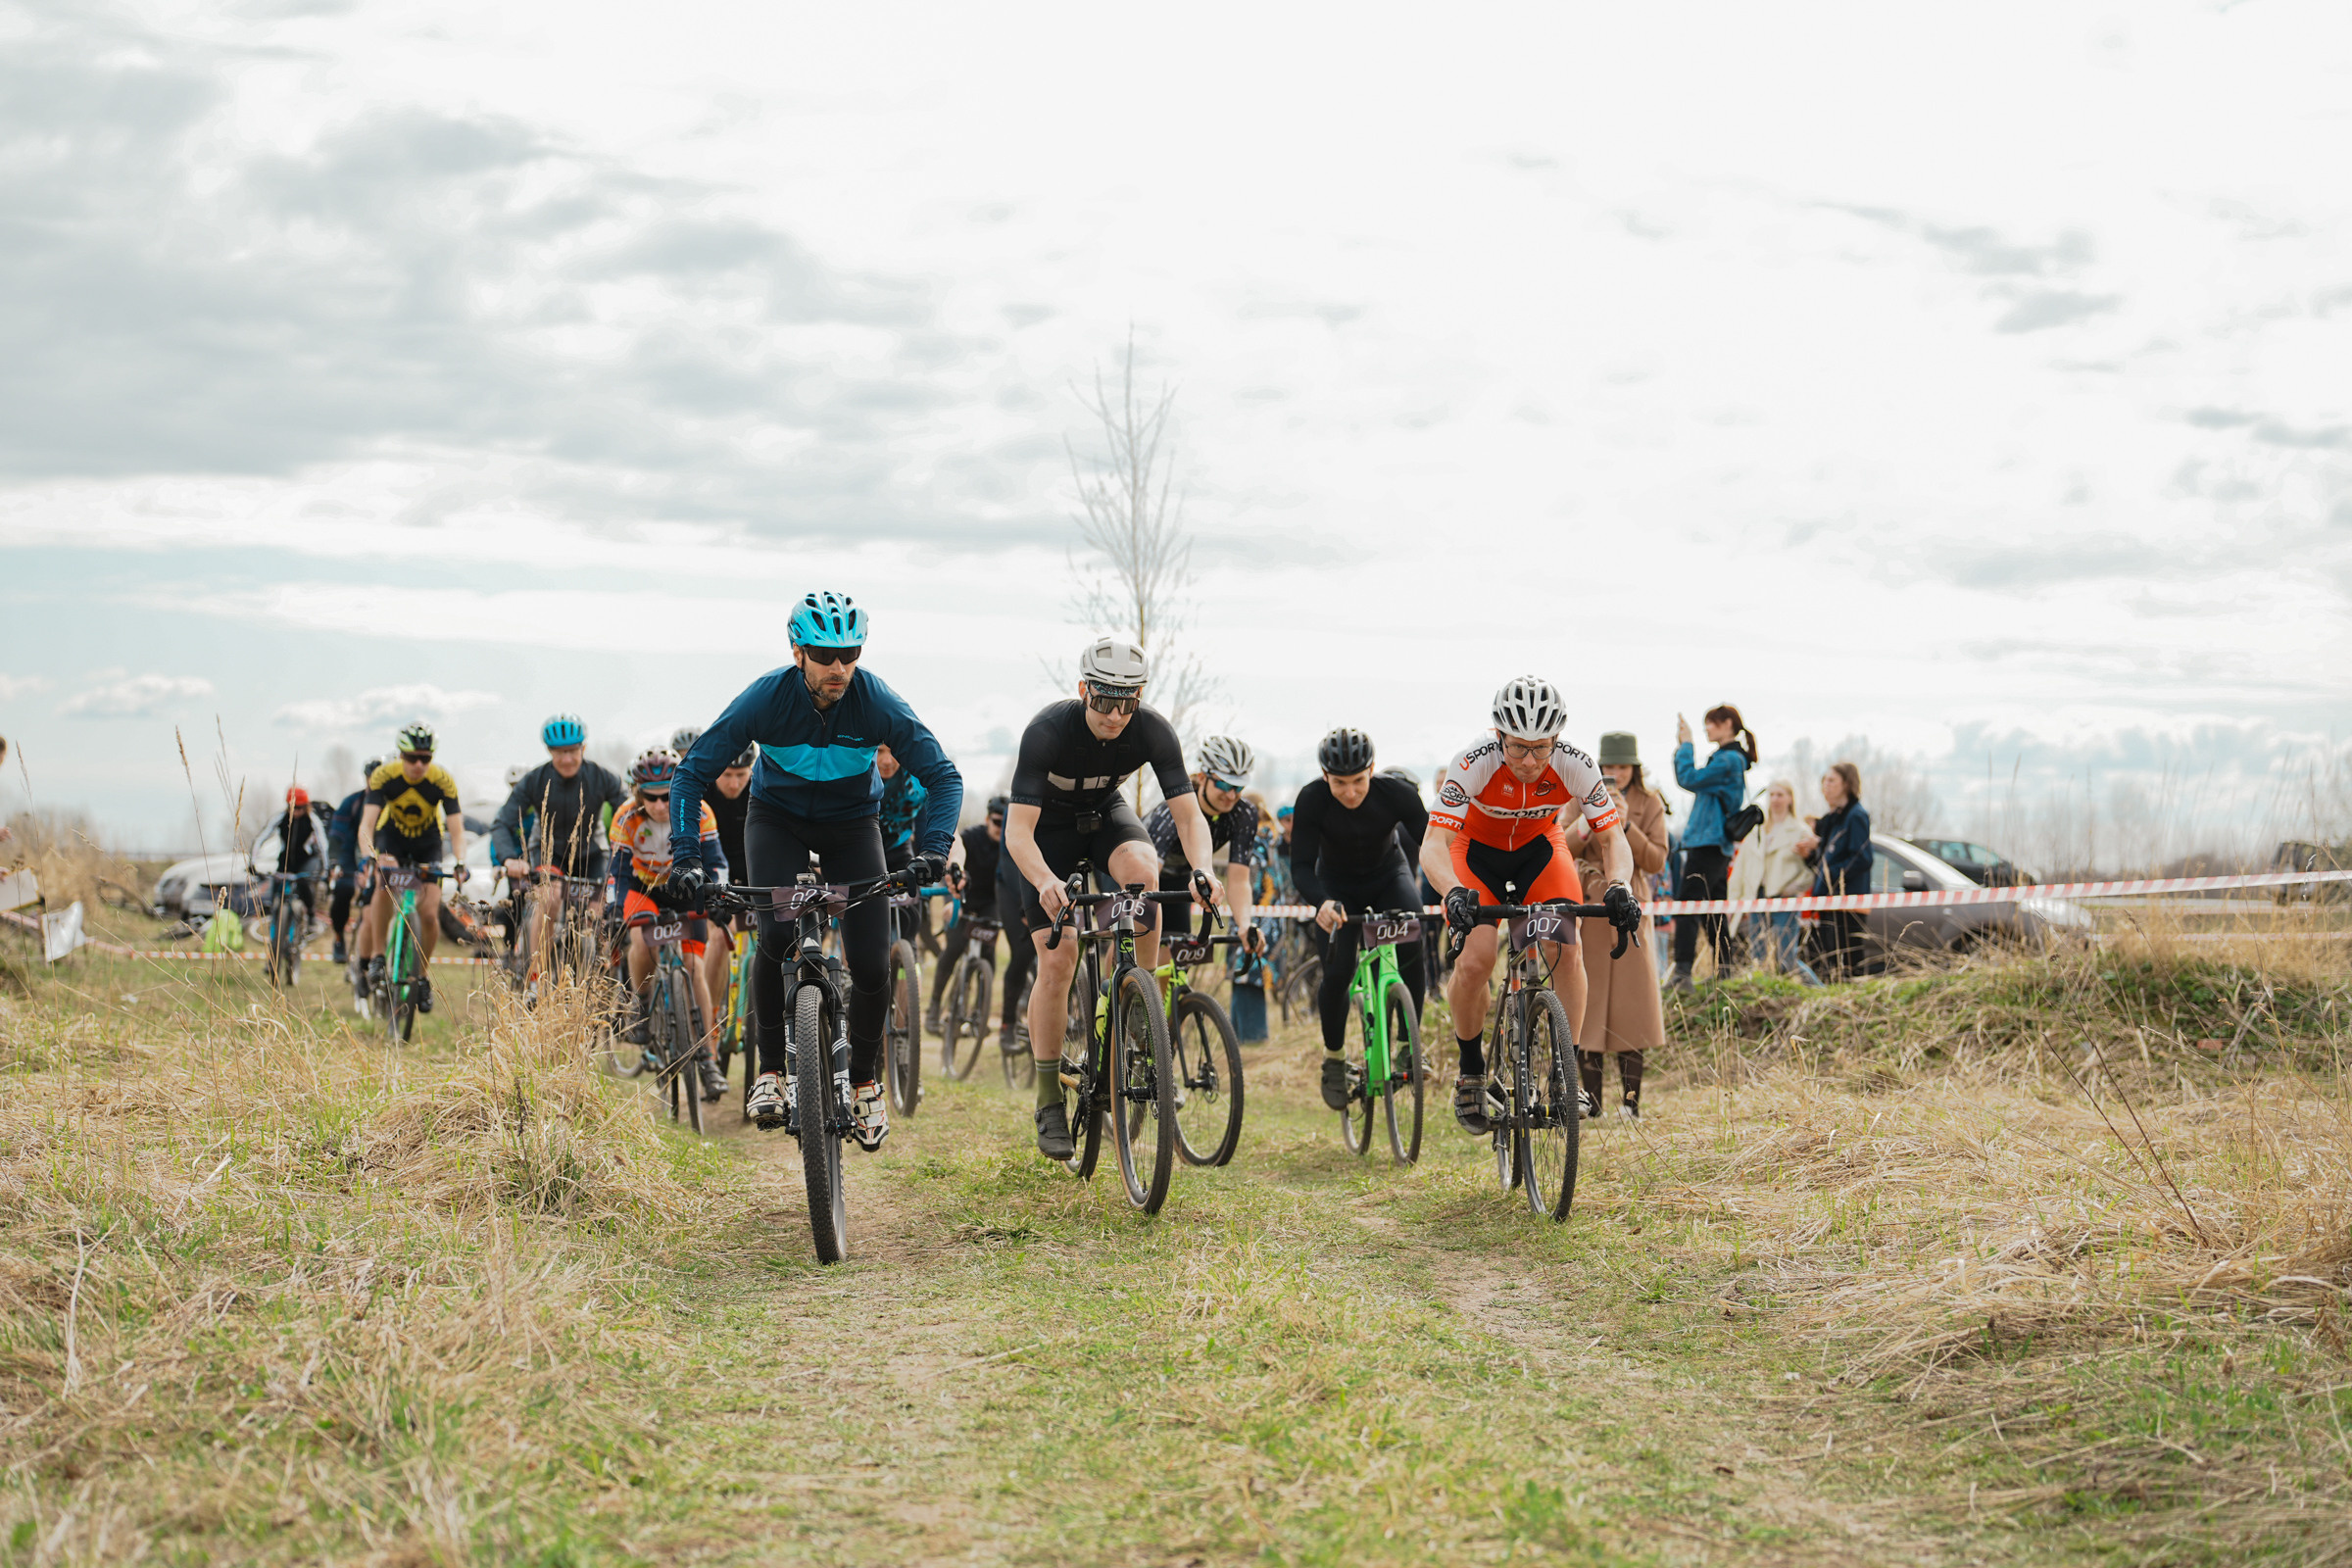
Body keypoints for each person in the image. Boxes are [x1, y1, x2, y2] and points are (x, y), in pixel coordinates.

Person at [664, 590, 962, 1152]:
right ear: (797, 652)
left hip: (853, 824)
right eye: (825, 655)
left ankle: (868, 1081)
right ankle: (772, 1072)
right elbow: (689, 774)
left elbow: (944, 776)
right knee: (775, 935)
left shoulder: (877, 703)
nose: (839, 667)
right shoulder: (765, 699)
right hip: (776, 820)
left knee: (873, 962)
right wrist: (686, 857)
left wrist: (935, 849)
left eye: (850, 654)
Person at [1004, 636, 1223, 1160]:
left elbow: (1190, 817)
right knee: (1058, 960)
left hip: (1103, 816)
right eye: (1103, 699)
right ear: (1084, 690)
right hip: (1045, 835)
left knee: (1145, 873)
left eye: (1128, 700)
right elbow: (1017, 833)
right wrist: (1044, 882)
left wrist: (1203, 869)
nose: (1115, 713)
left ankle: (1136, 1007)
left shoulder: (1152, 729)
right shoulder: (1047, 731)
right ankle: (1048, 1097)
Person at [1421, 678, 1642, 1136]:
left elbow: (1610, 836)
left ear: (1556, 740)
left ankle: (1566, 1073)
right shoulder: (1472, 762)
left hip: (1540, 850)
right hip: (1474, 853)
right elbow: (1433, 844)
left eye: (1541, 749)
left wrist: (1620, 884)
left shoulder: (1575, 763)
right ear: (1499, 736)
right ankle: (1470, 1070)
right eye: (1519, 748)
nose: (1529, 761)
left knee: (1569, 947)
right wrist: (1451, 893)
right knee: (1478, 957)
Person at [1290, 728, 1430, 1110]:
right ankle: (1334, 1060)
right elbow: (1300, 865)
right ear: (1324, 777)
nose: (1350, 793)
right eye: (1339, 783)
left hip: (1389, 875)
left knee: (1413, 942)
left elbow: (1433, 844)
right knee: (1336, 972)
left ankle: (1406, 1046)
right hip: (1334, 885)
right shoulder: (1312, 800)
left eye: (1358, 782)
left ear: (1372, 770)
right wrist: (1320, 902)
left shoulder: (1397, 795)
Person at [609, 749, 730, 1100]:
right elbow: (616, 872)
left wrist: (717, 897)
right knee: (640, 936)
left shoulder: (699, 810)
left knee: (695, 966)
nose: (661, 805)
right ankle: (642, 1004)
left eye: (667, 795)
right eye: (652, 797)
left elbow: (716, 862)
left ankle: (708, 1060)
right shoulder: (626, 817)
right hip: (644, 888)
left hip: (684, 888)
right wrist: (613, 908)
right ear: (637, 792)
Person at [1565, 733, 1671, 1119]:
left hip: (1629, 908)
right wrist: (1589, 825)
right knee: (1588, 1007)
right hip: (1589, 909)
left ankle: (1631, 1104)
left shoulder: (1649, 802)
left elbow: (1657, 859)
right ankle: (1591, 1105)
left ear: (1635, 768)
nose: (1615, 775)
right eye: (1608, 768)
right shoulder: (1576, 797)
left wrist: (1625, 827)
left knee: (1633, 1008)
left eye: (1622, 768)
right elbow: (1560, 845)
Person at [491, 714, 630, 986]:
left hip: (591, 854)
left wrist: (624, 849)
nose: (566, 759)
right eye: (559, 753)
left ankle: (591, 976)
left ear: (583, 749)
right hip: (548, 853)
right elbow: (502, 822)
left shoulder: (602, 778)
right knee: (550, 897)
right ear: (549, 752)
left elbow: (628, 811)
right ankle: (535, 979)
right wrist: (509, 858)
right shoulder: (534, 780)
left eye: (572, 751)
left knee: (596, 911)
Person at [356, 723, 467, 1012]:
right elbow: (367, 825)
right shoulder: (385, 776)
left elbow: (456, 831)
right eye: (411, 758)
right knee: (385, 887)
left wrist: (459, 862)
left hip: (428, 843)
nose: (418, 764)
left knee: (429, 915)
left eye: (425, 758)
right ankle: (379, 956)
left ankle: (422, 977)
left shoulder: (442, 780)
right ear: (401, 755)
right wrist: (372, 855)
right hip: (393, 839)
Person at [1146, 736, 1268, 952]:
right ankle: (1112, 984)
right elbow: (1149, 875)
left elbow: (1239, 879)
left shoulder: (1244, 814)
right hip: (1138, 870)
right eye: (1224, 784)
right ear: (1202, 777)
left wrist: (1245, 924)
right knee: (1139, 938)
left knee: (1180, 954)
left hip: (1178, 878)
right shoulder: (1175, 808)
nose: (1231, 795)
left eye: (1239, 787)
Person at [1669, 704, 1758, 991]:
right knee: (1713, 910)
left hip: (1708, 843)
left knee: (1687, 905)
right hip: (1715, 844)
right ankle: (1725, 971)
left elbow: (1688, 778)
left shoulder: (1728, 760)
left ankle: (1682, 974)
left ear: (1728, 724)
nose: (1707, 728)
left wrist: (1685, 745)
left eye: (1712, 723)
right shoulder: (1728, 758)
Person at [1730, 778, 1822, 985]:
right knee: (1758, 954)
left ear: (1790, 798)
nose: (1775, 799)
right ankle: (1764, 994)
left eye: (1780, 794)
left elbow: (1811, 870)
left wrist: (1794, 888)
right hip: (1758, 895)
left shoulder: (1800, 830)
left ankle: (1818, 990)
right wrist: (1736, 897)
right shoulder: (1757, 830)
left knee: (1786, 957)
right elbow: (1742, 865)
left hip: (1785, 897)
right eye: (1772, 795)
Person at [926, 794, 1007, 1033]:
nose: (1000, 828)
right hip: (960, 897)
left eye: (1005, 823)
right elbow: (952, 867)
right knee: (952, 949)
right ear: (987, 819)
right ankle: (933, 1010)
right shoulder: (972, 837)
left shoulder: (1010, 844)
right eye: (996, 822)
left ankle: (978, 1016)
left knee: (989, 955)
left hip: (988, 903)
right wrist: (952, 901)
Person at [696, 741, 758, 1032]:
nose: (734, 783)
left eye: (741, 776)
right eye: (727, 775)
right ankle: (709, 1017)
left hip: (755, 873)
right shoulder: (703, 793)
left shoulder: (762, 787)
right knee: (721, 936)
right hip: (716, 873)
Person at [1799, 761, 1873, 979]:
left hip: (1848, 902)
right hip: (1828, 901)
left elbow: (1862, 858)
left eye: (1831, 780)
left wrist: (1831, 875)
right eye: (1824, 781)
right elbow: (1824, 860)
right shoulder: (1833, 820)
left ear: (1847, 784)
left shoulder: (1856, 816)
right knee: (1829, 962)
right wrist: (1810, 856)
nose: (1826, 786)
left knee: (1848, 963)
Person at [263, 785, 334, 935]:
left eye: (300, 808)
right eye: (293, 808)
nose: (296, 812)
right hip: (285, 861)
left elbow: (323, 845)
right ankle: (273, 918)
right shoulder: (280, 818)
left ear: (306, 807)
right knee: (275, 887)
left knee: (304, 884)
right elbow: (262, 837)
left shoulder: (312, 820)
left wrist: (326, 868)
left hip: (304, 861)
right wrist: (252, 860)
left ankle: (311, 916)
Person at [326, 760, 376, 965]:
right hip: (349, 856)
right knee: (343, 890)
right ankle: (339, 939)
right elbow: (336, 835)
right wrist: (334, 861)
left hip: (376, 856)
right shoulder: (352, 802)